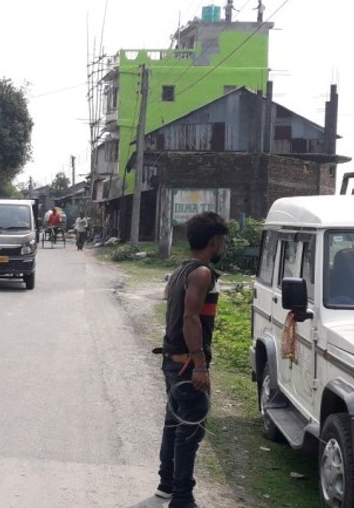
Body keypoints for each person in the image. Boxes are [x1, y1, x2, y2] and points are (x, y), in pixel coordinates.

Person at [155, 211, 228, 508]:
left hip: (173, 359)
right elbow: (190, 317)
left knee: (175, 422)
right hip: (186, 363)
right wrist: (199, 364)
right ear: (214, 242)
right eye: (222, 241)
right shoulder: (201, 273)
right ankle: (182, 498)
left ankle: (167, 483)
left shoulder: (181, 270)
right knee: (190, 428)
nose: (223, 246)